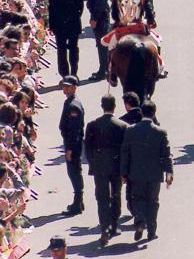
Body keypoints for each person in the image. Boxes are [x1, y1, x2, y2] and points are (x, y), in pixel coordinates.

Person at [120, 100, 173, 242]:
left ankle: (140, 222)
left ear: (142, 112)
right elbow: (166, 155)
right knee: (153, 201)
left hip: (135, 173)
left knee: (138, 199)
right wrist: (169, 173)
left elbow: (125, 152)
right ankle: (152, 231)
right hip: (155, 174)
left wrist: (123, 173)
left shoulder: (130, 130)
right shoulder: (161, 132)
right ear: (154, 113)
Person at [101, 0, 162, 72]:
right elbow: (149, 15)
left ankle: (111, 72)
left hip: (122, 29)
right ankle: (159, 68)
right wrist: (151, 22)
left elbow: (114, 16)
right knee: (156, 42)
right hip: (139, 28)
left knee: (110, 47)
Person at [84, 94, 128, 247]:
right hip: (116, 167)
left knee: (102, 199)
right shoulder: (122, 126)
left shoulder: (92, 125)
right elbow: (125, 150)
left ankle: (104, 228)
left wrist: (93, 163)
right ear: (114, 106)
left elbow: (87, 148)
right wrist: (125, 170)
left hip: (99, 167)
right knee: (116, 196)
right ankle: (114, 225)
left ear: (102, 106)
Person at [48, 0, 85, 79]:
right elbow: (80, 8)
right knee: (74, 48)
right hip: (73, 25)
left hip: (59, 26)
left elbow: (51, 9)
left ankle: (64, 75)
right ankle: (74, 72)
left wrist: (52, 25)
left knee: (61, 50)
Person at [59, 76, 85, 216]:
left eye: (68, 86)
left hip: (73, 144)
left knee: (74, 172)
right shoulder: (70, 102)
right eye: (64, 86)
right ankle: (78, 201)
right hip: (71, 143)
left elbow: (74, 130)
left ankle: (78, 202)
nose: (65, 89)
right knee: (74, 172)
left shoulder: (73, 105)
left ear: (75, 87)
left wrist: (69, 149)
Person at [84, 0, 110, 81]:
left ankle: (103, 71)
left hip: (100, 18)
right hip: (96, 16)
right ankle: (105, 68)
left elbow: (100, 4)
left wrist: (94, 19)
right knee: (100, 44)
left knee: (102, 45)